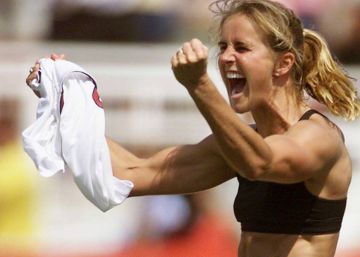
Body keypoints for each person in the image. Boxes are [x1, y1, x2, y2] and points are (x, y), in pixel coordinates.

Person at [26, 0, 360, 256]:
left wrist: (200, 85)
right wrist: (67, 100)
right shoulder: (239, 146)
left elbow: (262, 164)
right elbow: (131, 171)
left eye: (241, 47)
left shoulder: (319, 137)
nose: (226, 57)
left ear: (283, 63)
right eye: (224, 47)